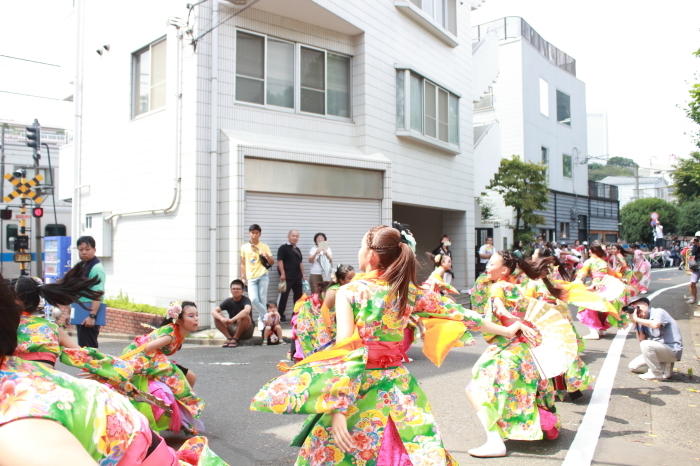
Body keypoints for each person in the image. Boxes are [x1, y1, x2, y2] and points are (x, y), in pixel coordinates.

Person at [251, 225, 530, 464]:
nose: (360, 251)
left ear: (371, 255)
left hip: (359, 387)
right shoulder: (407, 291)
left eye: (362, 246)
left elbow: (345, 351)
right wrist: (508, 330)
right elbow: (463, 315)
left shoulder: (351, 291)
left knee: (343, 453)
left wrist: (336, 408)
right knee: (414, 447)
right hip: (399, 386)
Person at [0, 275, 228, 466]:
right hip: (54, 389)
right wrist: (101, 370)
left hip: (21, 391)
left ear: (15, 303)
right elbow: (82, 353)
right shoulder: (49, 327)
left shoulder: (15, 329)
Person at [465, 251, 560, 457]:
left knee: (475, 389)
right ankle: (536, 426)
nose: (487, 267)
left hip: (505, 350)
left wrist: (510, 321)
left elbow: (499, 310)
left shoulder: (498, 286)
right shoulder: (520, 289)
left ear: (504, 270)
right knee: (518, 394)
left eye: (491, 263)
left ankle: (494, 441)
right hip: (525, 351)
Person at [119, 302, 204, 433]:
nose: (196, 319)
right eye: (191, 316)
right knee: (179, 380)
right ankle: (184, 416)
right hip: (140, 357)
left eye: (197, 315)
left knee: (190, 377)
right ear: (179, 320)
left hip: (152, 357)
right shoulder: (170, 335)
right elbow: (146, 348)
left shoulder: (179, 333)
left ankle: (181, 417)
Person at [295, 264, 355, 357]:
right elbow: (324, 310)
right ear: (341, 280)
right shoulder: (334, 291)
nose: (353, 280)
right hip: (315, 317)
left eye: (355, 277)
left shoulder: (351, 289)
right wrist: (328, 328)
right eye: (349, 278)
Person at [574, 245, 627, 339]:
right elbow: (613, 273)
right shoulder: (604, 262)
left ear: (591, 252)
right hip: (607, 286)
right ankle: (601, 330)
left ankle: (594, 332)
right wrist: (622, 280)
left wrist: (577, 282)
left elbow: (583, 272)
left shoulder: (589, 261)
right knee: (602, 307)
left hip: (596, 285)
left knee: (587, 306)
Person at [626, 297, 683, 380]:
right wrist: (635, 323)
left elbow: (655, 325)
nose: (637, 311)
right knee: (633, 367)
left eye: (638, 307)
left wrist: (636, 319)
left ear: (646, 305)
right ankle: (663, 367)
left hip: (672, 350)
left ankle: (656, 373)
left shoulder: (659, 312)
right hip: (660, 350)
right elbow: (641, 339)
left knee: (646, 344)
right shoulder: (643, 320)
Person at [74, 236, 106, 348]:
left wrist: (92, 316)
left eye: (87, 249)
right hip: (80, 312)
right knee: (83, 348)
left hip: (89, 314)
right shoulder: (82, 266)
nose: (83, 252)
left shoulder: (96, 268)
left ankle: (94, 366)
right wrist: (70, 313)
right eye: (80, 249)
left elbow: (97, 294)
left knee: (89, 349)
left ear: (94, 250)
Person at [240, 224, 274, 327]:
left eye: (256, 233)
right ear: (249, 233)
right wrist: (242, 277)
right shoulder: (244, 247)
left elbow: (272, 262)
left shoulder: (264, 246)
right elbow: (242, 263)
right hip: (251, 277)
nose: (254, 235)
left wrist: (266, 255)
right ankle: (267, 316)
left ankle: (261, 321)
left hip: (263, 275)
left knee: (262, 299)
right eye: (252, 233)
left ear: (260, 234)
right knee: (254, 299)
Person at [212, 279, 254, 347]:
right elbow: (213, 311)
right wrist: (222, 319)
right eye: (233, 289)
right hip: (232, 328)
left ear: (242, 291)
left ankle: (236, 338)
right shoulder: (228, 301)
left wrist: (232, 320)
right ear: (230, 290)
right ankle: (229, 338)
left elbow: (247, 311)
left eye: (238, 289)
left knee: (244, 316)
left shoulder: (246, 300)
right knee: (217, 316)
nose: (235, 291)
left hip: (246, 330)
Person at [277, 229, 305, 322]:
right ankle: (280, 315)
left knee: (298, 297)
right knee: (283, 297)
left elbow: (300, 263)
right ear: (288, 236)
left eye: (296, 236)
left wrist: (303, 275)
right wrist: (282, 273)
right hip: (287, 277)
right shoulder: (283, 248)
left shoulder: (297, 249)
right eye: (293, 236)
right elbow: (279, 261)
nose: (295, 238)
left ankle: (296, 315)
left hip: (297, 277)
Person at [687, 236, 700, 304]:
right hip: (696, 266)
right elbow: (692, 255)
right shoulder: (694, 247)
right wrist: (690, 265)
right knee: (692, 283)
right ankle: (693, 298)